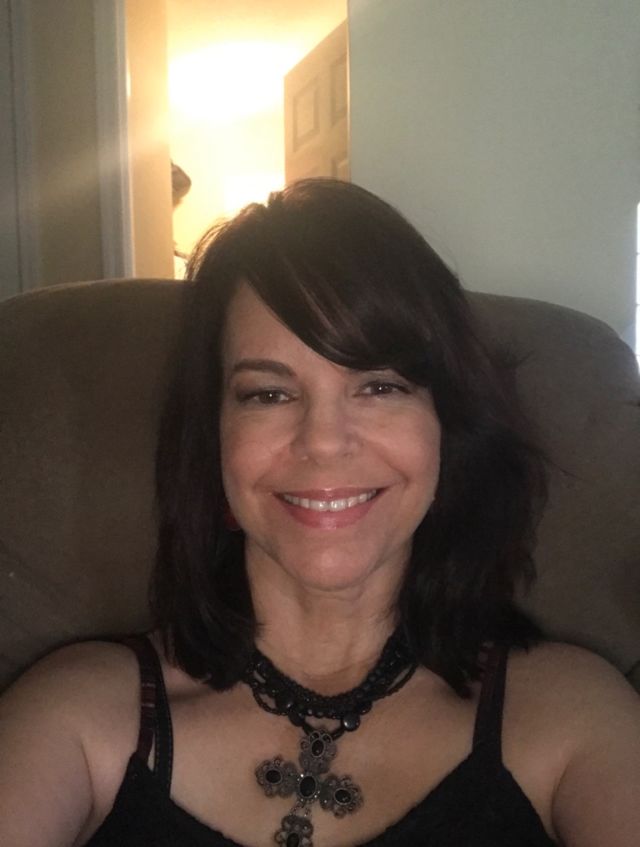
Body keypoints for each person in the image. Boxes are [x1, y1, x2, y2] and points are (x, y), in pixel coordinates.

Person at [0, 179, 638, 847]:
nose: (325, 442)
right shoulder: (74, 718)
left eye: (380, 386)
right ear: (214, 437)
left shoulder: (574, 718)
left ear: (447, 428)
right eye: (268, 394)